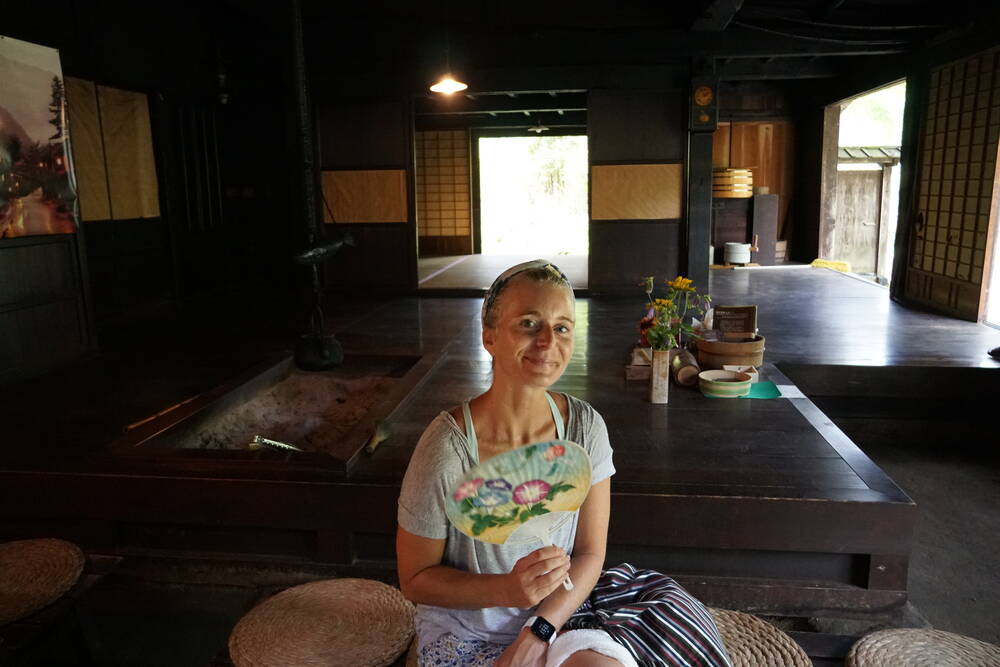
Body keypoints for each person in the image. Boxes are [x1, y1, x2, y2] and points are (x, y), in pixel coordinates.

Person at [396, 260, 729, 667]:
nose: (548, 341)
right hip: (467, 631)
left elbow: (589, 553)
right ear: (489, 336)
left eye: (562, 327)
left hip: (564, 615)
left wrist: (539, 629)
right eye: (529, 324)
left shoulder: (584, 427)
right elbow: (414, 579)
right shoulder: (447, 448)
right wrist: (507, 591)